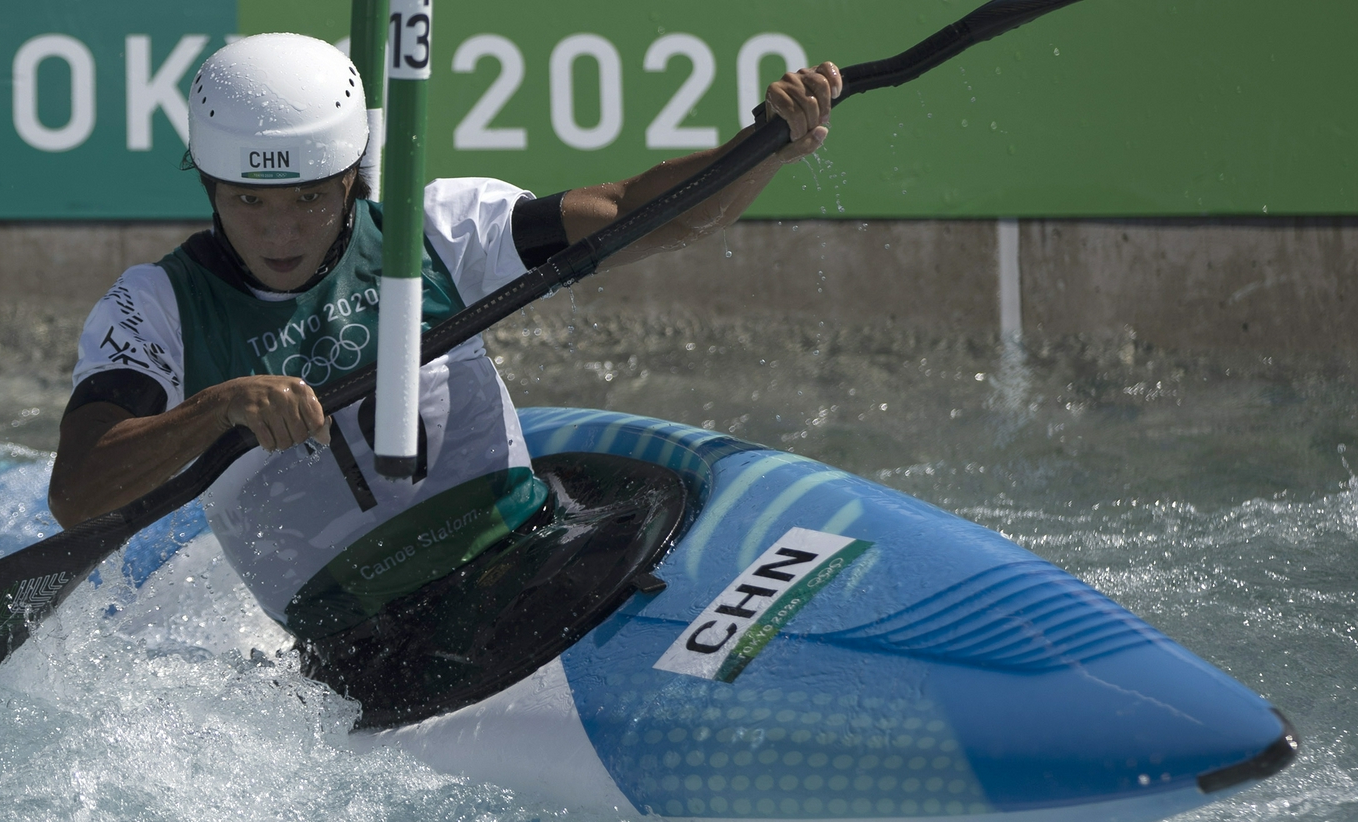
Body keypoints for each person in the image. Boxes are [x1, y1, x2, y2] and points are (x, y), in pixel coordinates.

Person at [50, 33, 840, 651]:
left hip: (534, 560)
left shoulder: (436, 231)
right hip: (361, 645)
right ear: (208, 185)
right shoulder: (156, 308)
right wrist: (215, 410)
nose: (280, 232)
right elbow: (78, 495)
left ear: (353, 175)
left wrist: (759, 145)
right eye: (249, 201)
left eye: (309, 198)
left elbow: (649, 212)